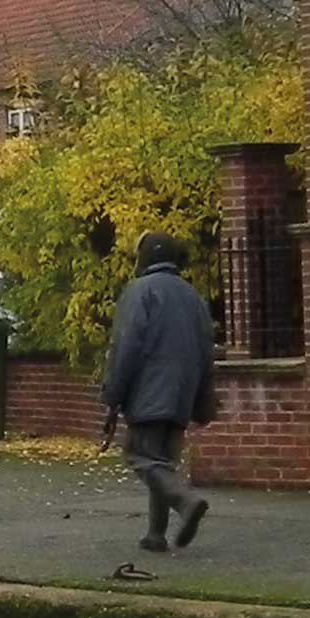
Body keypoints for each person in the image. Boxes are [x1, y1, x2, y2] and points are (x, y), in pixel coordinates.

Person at [100, 232, 218, 552]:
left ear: (144, 258)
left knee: (140, 456)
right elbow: (207, 351)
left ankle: (185, 501)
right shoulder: (194, 297)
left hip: (148, 392)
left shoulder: (140, 292)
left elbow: (125, 347)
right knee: (162, 462)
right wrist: (204, 400)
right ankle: (156, 535)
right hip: (182, 394)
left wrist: (113, 397)